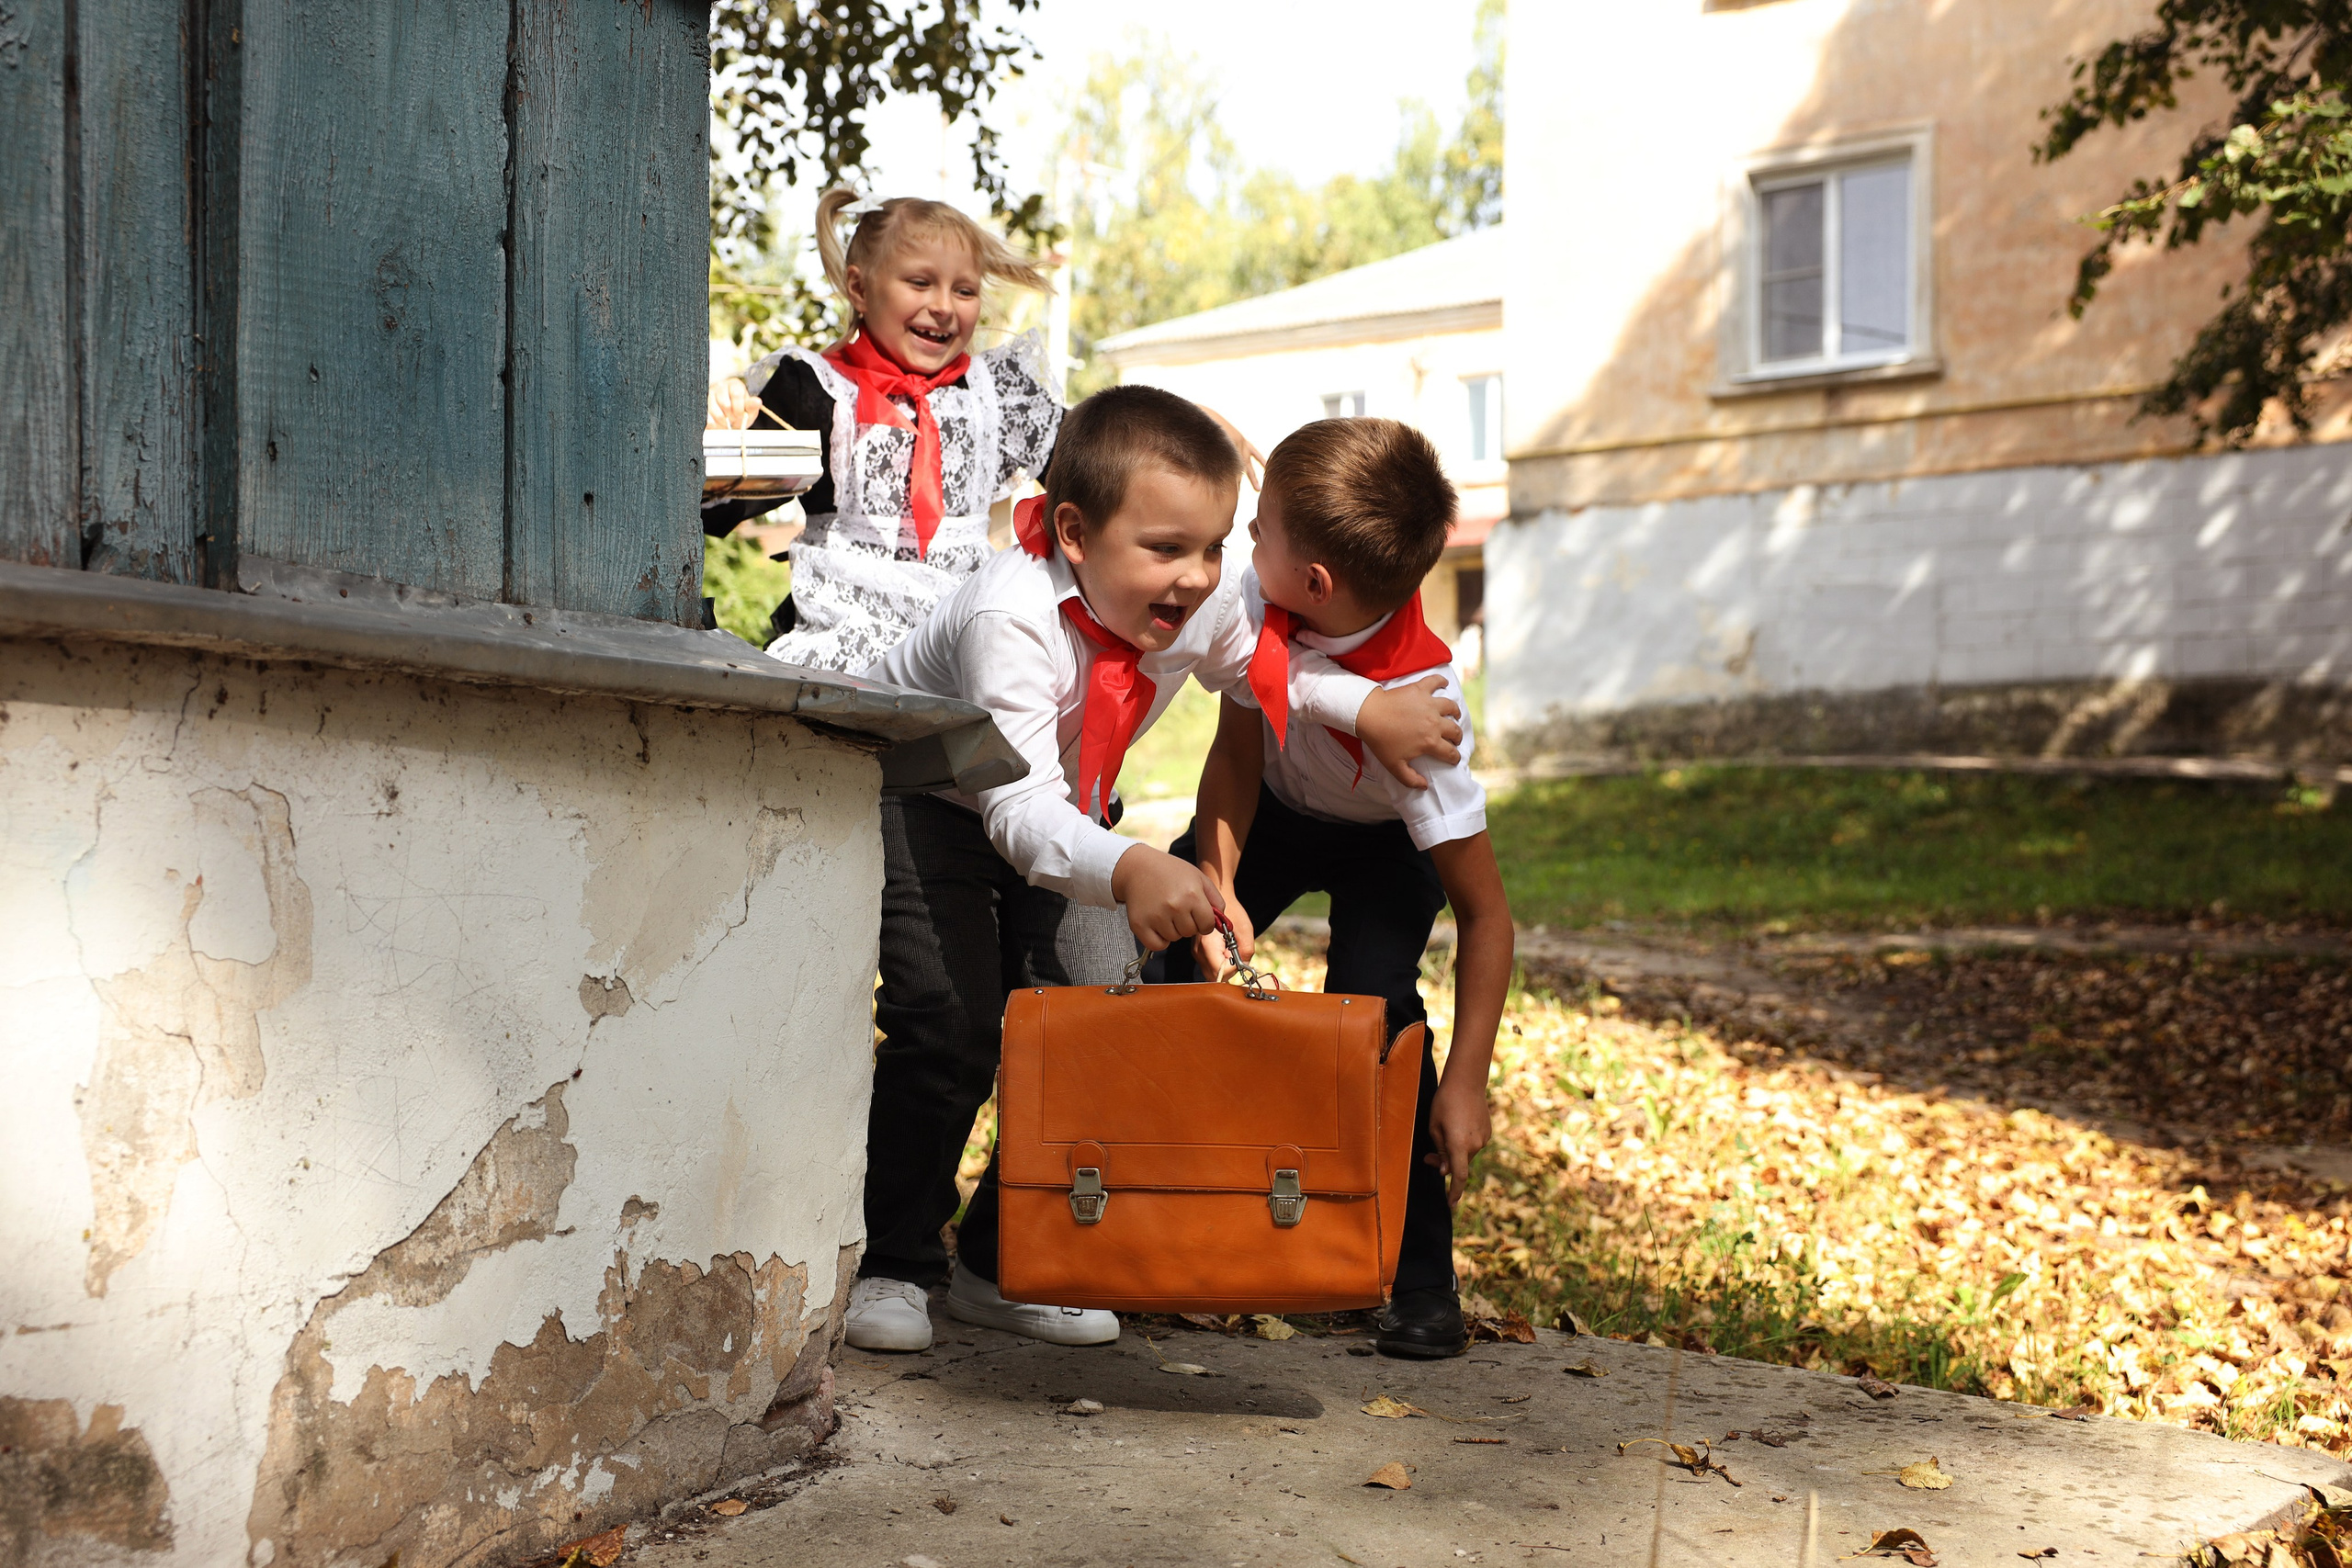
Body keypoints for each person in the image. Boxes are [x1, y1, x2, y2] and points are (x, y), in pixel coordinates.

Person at [843, 388, 1466, 1353]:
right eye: (1168, 549)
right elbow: (1013, 812)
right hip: (932, 800)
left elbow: (1263, 669)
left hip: (1066, 812)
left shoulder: (1197, 601)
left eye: (1216, 547)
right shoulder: (1009, 617)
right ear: (1075, 534)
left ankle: (1006, 1262)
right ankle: (892, 1264)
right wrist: (1133, 867)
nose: (1199, 577)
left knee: (1101, 1024)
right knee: (952, 1023)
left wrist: (1363, 710)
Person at [1154, 417, 1515, 1360]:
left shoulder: (1426, 720)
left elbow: (1487, 916)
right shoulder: (1264, 603)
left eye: (1256, 532)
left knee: (1382, 1021)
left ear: (1313, 581)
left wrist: (1469, 1083)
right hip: (1266, 811)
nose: (1242, 547)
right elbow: (1233, 755)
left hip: (1380, 846)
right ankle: (1138, 1226)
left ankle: (1421, 1280)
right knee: (1158, 954)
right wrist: (1216, 884)